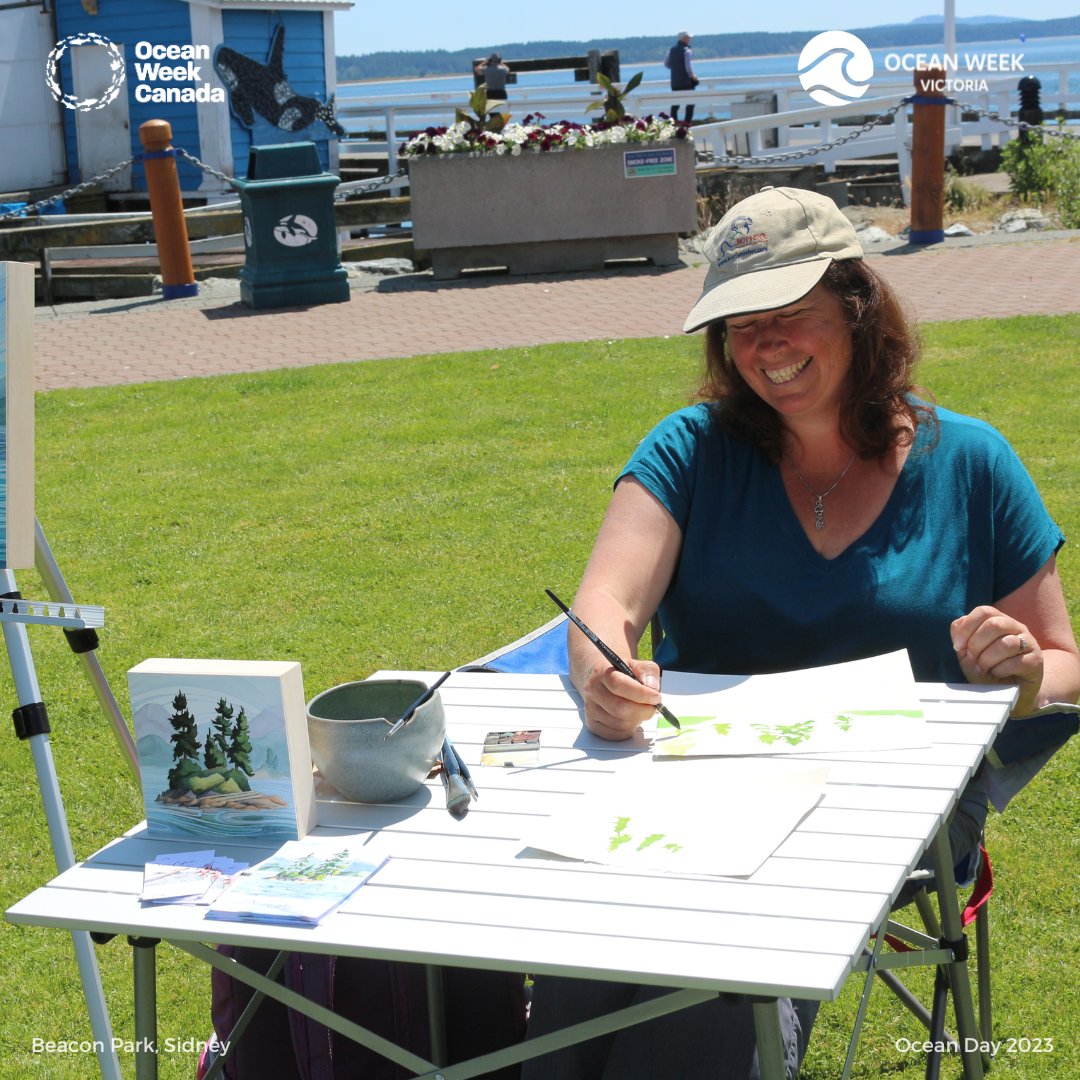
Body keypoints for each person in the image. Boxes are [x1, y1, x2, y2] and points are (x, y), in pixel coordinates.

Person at [522, 185, 1080, 1078]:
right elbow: (604, 609)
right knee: (581, 959)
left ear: (860, 309)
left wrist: (1014, 675)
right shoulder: (689, 449)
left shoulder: (970, 462)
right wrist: (605, 670)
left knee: (719, 984)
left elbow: (1063, 666)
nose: (765, 347)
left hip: (894, 810)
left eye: (789, 313)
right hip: (694, 788)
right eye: (741, 324)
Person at [664, 30, 699, 123]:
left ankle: (673, 123)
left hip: (675, 82)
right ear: (684, 39)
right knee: (690, 102)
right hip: (686, 82)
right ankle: (687, 123)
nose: (690, 39)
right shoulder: (687, 51)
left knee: (675, 103)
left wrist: (676, 67)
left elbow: (667, 64)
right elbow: (688, 67)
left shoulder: (671, 50)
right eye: (688, 38)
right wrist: (693, 77)